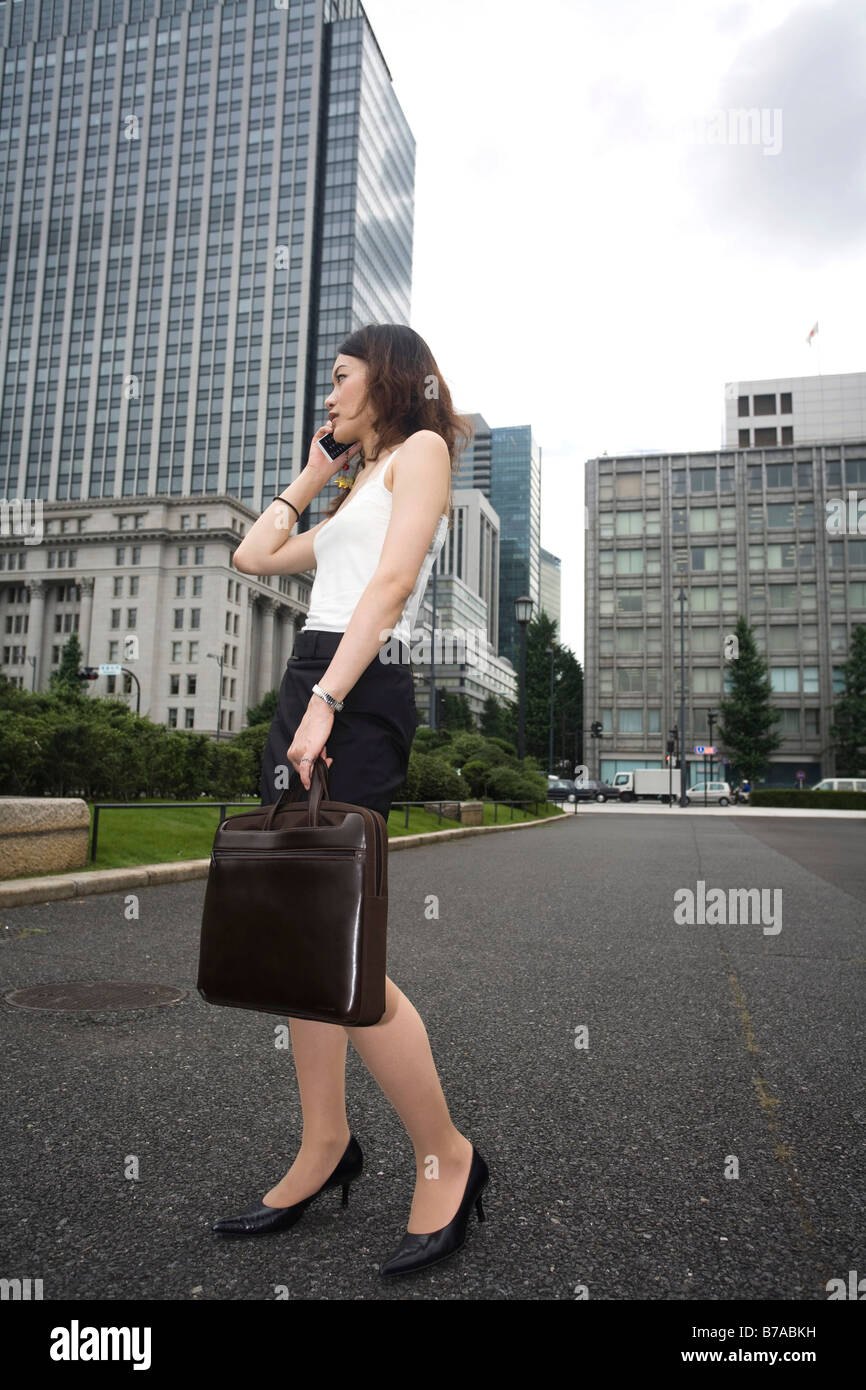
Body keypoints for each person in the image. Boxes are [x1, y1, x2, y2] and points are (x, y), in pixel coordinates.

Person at [212, 323, 490, 1278]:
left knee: (345, 943)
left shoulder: (421, 454)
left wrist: (331, 701)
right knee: (297, 939)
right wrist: (311, 472)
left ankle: (448, 1155)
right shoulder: (351, 490)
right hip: (308, 681)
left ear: (389, 377)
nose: (326, 397)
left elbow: (396, 581)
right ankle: (325, 1145)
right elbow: (254, 556)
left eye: (338, 381)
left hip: (357, 691)